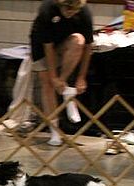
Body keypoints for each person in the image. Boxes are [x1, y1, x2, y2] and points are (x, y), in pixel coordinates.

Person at [28, 0, 94, 146]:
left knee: (79, 40)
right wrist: (53, 78)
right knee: (48, 84)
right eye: (68, 9)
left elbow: (88, 46)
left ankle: (66, 91)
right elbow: (48, 47)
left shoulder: (84, 13)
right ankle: (54, 130)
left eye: (74, 10)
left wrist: (81, 77)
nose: (71, 12)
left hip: (65, 43)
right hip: (41, 46)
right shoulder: (47, 9)